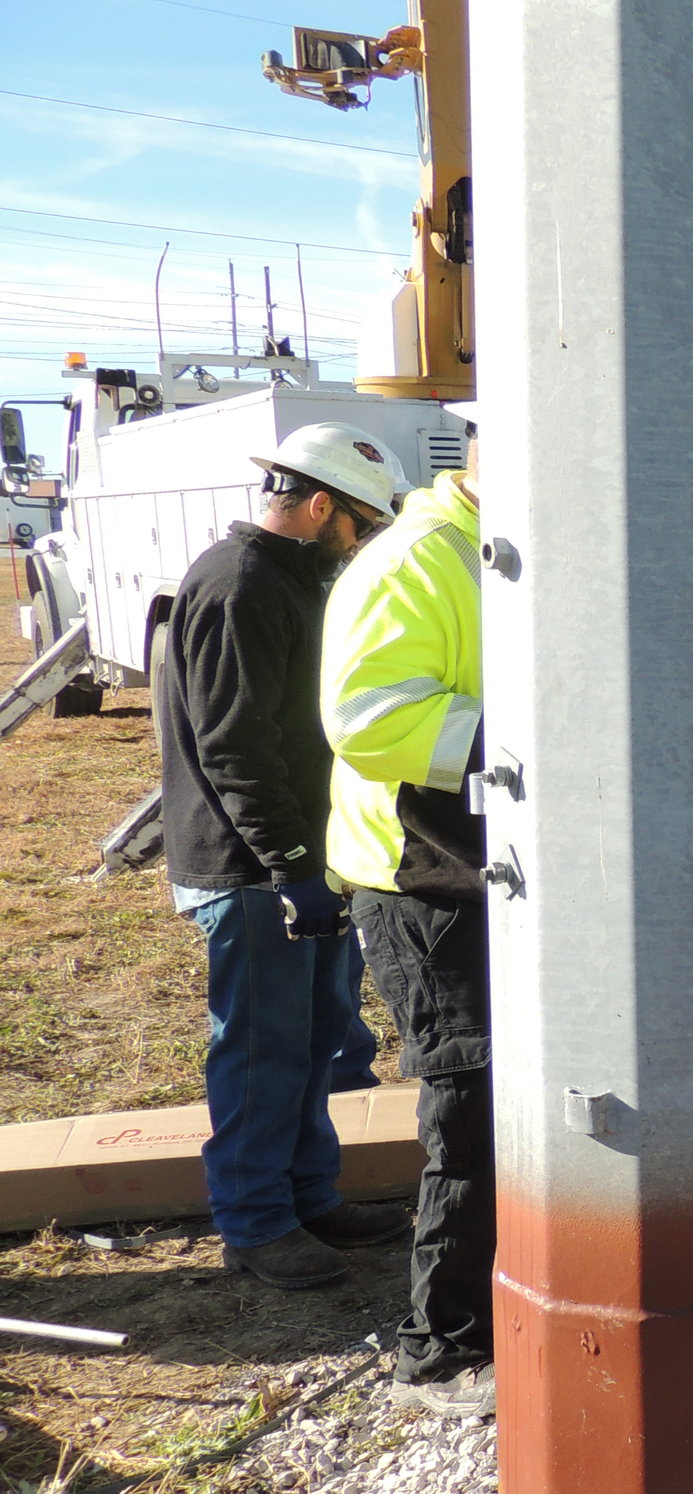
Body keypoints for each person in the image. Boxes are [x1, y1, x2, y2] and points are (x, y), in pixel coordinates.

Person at [160, 424, 412, 1289]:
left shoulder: (289, 580)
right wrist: (291, 866)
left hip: (298, 861)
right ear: (318, 506)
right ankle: (257, 1221)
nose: (368, 540)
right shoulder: (238, 587)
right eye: (364, 523)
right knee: (263, 1049)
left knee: (314, 1043)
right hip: (254, 872)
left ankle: (309, 1194)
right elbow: (236, 748)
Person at [322, 452, 495, 1419]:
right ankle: (439, 1349)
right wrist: (512, 729)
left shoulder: (485, 551)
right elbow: (363, 716)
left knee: (496, 1097)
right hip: (415, 878)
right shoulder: (417, 559)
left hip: (468, 870)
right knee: (468, 1098)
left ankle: (483, 1309)